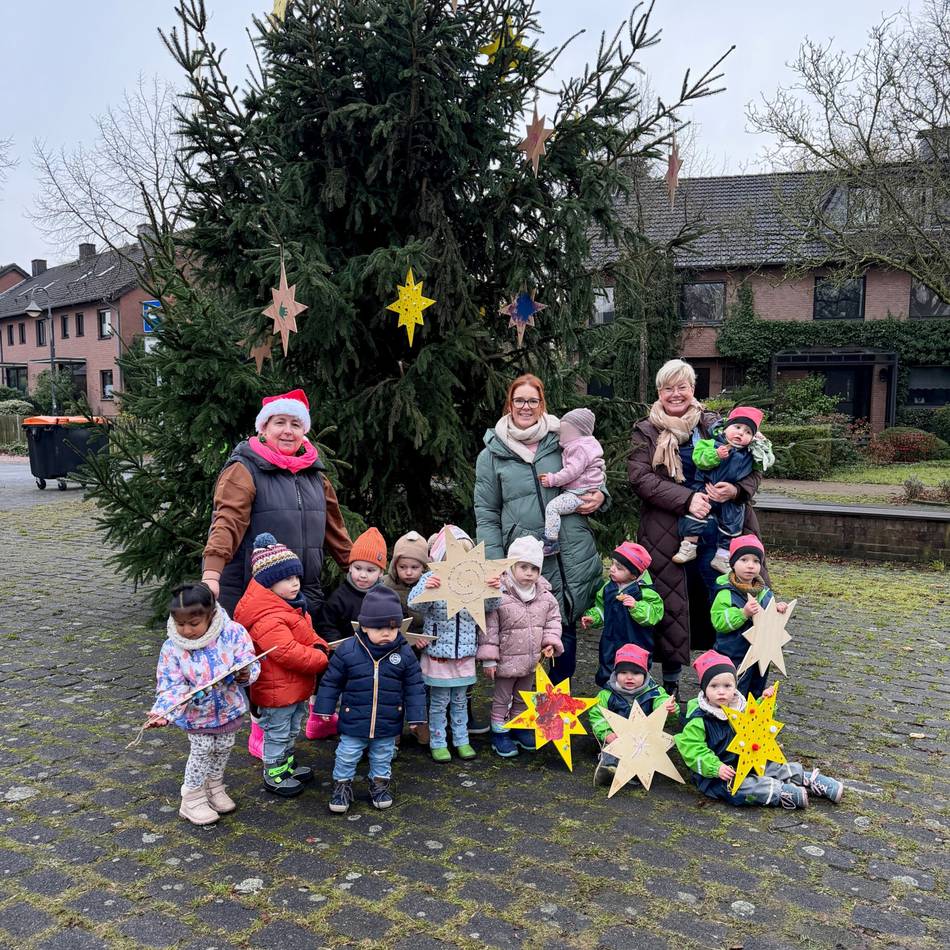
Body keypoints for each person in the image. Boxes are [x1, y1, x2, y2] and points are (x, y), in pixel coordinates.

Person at [201, 388, 352, 750]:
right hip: (256, 589)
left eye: (295, 424)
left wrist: (360, 568)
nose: (287, 430)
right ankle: (261, 733)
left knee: (308, 651)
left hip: (303, 585)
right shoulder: (244, 468)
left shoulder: (315, 474)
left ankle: (317, 718)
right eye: (279, 422)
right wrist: (211, 573)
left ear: (305, 431)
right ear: (263, 428)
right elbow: (226, 521)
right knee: (266, 664)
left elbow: (335, 529)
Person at [627, 359, 768, 700]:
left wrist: (736, 490)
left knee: (727, 596)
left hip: (722, 529)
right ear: (659, 392)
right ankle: (671, 682)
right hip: (667, 528)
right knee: (671, 603)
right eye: (668, 388)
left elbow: (755, 464)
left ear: (693, 389)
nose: (675, 394)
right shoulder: (646, 429)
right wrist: (688, 499)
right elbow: (640, 478)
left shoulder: (716, 424)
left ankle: (727, 682)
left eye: (682, 387)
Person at [474, 374, 607, 685]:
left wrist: (601, 494)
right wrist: (494, 563)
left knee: (565, 629)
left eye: (533, 401)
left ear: (542, 404)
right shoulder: (491, 455)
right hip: (525, 559)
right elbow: (487, 513)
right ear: (509, 404)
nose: (526, 407)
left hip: (570, 551)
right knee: (524, 635)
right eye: (519, 400)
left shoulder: (561, 440)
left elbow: (592, 472)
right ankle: (523, 706)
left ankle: (558, 706)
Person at [148, 583, 260, 826]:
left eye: (194, 623)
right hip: (197, 715)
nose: (186, 630)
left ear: (211, 615)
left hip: (228, 709)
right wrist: (163, 712)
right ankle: (191, 798)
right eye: (180, 624)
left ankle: (213, 787)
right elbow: (171, 686)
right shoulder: (172, 648)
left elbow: (249, 660)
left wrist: (245, 673)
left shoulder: (233, 633)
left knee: (224, 746)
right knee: (202, 750)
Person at [675, 650, 844, 808]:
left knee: (771, 766)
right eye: (714, 686)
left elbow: (756, 719)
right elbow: (692, 749)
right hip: (719, 772)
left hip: (748, 756)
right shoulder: (699, 719)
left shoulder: (740, 707)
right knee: (737, 788)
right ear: (704, 688)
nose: (721, 692)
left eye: (727, 686)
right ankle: (781, 792)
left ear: (735, 686)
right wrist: (715, 767)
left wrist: (764, 702)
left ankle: (806, 778)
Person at [314, 587, 426, 813]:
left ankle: (379, 785)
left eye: (392, 628)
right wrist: (324, 707)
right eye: (379, 628)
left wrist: (417, 716)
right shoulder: (348, 650)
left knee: (383, 755)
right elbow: (331, 681)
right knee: (347, 755)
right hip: (353, 720)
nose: (386, 633)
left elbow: (415, 686)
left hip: (388, 721)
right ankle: (342, 786)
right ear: (364, 626)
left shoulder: (404, 653)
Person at [233, 534, 330, 797]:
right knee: (277, 732)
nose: (295, 583)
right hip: (277, 691)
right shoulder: (267, 618)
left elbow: (310, 636)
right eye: (287, 578)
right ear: (269, 583)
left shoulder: (292, 606)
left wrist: (320, 645)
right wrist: (321, 657)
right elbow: (288, 652)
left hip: (293, 688)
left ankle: (286, 765)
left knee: (291, 728)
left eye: (296, 576)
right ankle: (274, 773)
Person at [477, 536, 563, 758]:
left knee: (524, 696)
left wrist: (550, 642)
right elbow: (489, 628)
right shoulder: (499, 593)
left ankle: (519, 727)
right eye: (523, 567)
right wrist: (489, 658)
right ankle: (500, 732)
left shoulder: (545, 596)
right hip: (506, 661)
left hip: (531, 661)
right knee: (502, 699)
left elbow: (553, 621)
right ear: (511, 566)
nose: (529, 573)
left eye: (534, 568)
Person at [674, 406, 774, 574]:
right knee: (697, 514)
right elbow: (699, 459)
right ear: (725, 428)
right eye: (737, 427)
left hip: (731, 499)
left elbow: (763, 465)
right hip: (705, 488)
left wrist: (763, 444)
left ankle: (722, 556)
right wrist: (715, 455)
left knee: (732, 523)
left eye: (748, 432)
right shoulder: (711, 443)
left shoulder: (750, 453)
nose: (741, 433)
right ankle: (688, 545)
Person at [710, 535, 788, 700]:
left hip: (760, 653)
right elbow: (719, 622)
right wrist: (742, 613)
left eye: (756, 561)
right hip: (733, 654)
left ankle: (753, 712)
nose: (750, 565)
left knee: (756, 687)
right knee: (735, 689)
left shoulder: (764, 592)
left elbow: (769, 618)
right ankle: (731, 713)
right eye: (744, 560)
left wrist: (777, 610)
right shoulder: (725, 592)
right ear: (733, 563)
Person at [588, 643, 677, 786]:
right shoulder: (606, 694)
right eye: (623, 673)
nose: (629, 677)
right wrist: (606, 733)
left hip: (643, 739)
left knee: (649, 752)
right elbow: (596, 716)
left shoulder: (654, 692)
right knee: (613, 751)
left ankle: (638, 772)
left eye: (636, 673)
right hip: (617, 737)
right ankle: (609, 769)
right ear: (615, 674)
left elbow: (663, 702)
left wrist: (667, 708)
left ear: (645, 674)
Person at [581, 541, 664, 688]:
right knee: (607, 666)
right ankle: (608, 694)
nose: (612, 569)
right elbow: (602, 608)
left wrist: (636, 607)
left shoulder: (644, 592)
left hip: (636, 642)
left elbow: (654, 615)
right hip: (610, 640)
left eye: (619, 568)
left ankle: (637, 694)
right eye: (613, 564)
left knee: (634, 669)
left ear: (633, 575)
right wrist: (594, 617)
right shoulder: (608, 588)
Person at [538, 408, 606, 558]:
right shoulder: (588, 443)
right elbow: (598, 468)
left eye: (566, 431)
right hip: (584, 490)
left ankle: (551, 542)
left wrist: (552, 479)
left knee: (552, 508)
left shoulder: (578, 447)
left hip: (579, 493)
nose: (562, 434)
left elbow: (572, 471)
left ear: (579, 431)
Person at [317, 527, 388, 640]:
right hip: (346, 649)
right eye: (358, 568)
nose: (363, 575)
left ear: (381, 573)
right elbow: (326, 626)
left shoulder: (388, 597)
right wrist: (343, 645)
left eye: (370, 570)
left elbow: (398, 624)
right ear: (350, 567)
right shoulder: (338, 598)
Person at [381, 530, 429, 634]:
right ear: (395, 566)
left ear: (424, 567)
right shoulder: (384, 585)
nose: (408, 572)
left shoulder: (429, 586)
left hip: (422, 636)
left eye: (414, 567)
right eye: (402, 567)